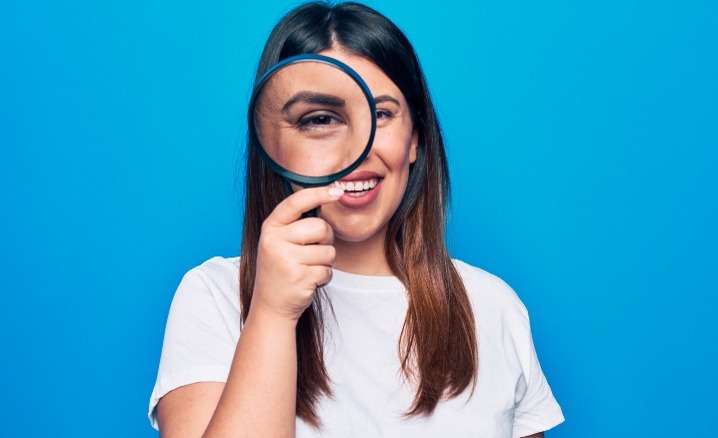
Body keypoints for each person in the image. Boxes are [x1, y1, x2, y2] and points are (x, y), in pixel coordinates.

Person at [148, 2, 564, 437]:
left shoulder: (493, 306)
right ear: (273, 145)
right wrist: (271, 313)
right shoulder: (214, 297)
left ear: (415, 139)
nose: (356, 151)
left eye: (381, 114)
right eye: (320, 119)